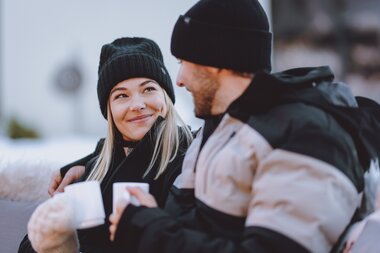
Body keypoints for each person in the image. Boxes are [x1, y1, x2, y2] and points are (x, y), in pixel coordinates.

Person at [107, 0, 380, 253]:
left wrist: (150, 230)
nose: (179, 79)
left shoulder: (305, 136)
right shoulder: (223, 127)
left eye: (183, 63)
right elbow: (194, 220)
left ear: (215, 61)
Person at [18, 37, 193, 253]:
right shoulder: (94, 172)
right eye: (121, 95)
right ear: (108, 110)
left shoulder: (190, 158)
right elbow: (30, 245)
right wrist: (57, 236)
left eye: (148, 89)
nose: (137, 105)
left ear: (165, 97)